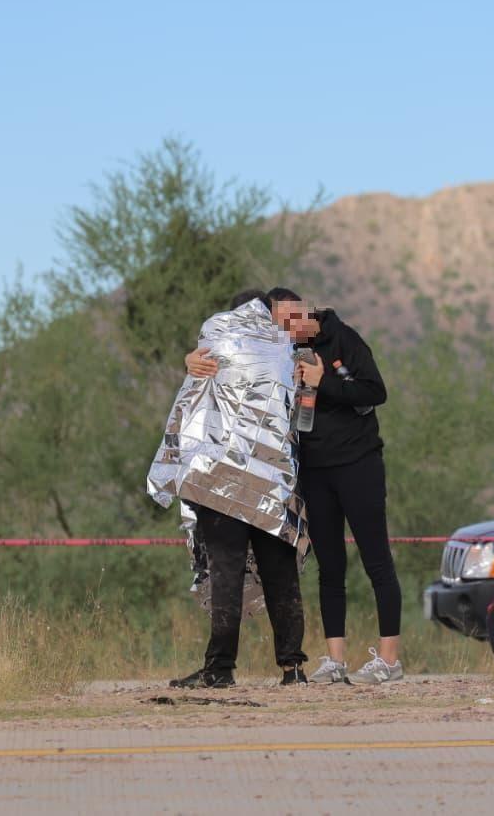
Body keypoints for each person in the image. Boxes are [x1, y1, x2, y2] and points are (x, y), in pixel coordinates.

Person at [186, 287, 402, 685]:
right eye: (280, 325)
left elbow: (376, 391)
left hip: (359, 464)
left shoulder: (344, 338)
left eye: (291, 319)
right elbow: (229, 360)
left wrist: (324, 382)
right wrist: (192, 359)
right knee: (330, 567)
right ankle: (335, 660)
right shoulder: (279, 351)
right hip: (313, 472)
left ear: (304, 308)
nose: (289, 329)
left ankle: (388, 660)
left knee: (376, 561)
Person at [156, 289, 309, 689]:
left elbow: (186, 408)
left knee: (226, 576)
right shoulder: (286, 352)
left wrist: (166, 470)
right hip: (272, 486)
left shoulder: (216, 342)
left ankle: (220, 669)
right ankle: (293, 668)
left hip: (218, 482)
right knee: (281, 578)